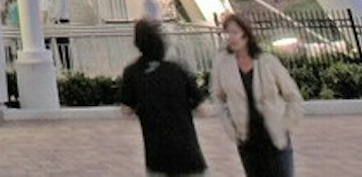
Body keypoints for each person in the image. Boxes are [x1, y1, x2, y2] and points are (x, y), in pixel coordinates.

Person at [211, 11, 302, 177]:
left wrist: (285, 124)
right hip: (247, 139)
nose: (230, 37)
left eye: (235, 32)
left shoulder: (268, 62)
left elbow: (293, 96)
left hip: (275, 137)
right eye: (227, 33)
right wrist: (229, 127)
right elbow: (217, 97)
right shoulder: (222, 65)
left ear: (246, 34)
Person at [120, 18, 207, 177]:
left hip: (157, 155)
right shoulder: (177, 69)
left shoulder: (132, 73)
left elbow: (126, 109)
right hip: (188, 152)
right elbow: (202, 109)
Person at [48, 0, 72, 71]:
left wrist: (55, 18)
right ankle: (67, 63)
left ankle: (65, 64)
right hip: (65, 18)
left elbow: (58, 5)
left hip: (60, 20)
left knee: (61, 43)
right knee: (65, 43)